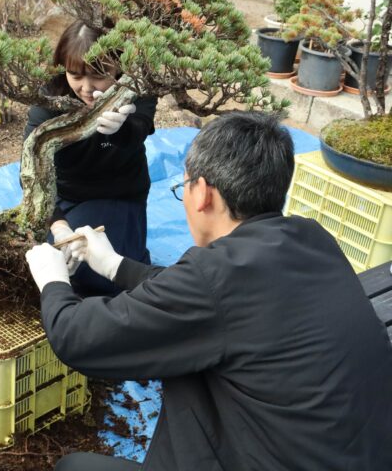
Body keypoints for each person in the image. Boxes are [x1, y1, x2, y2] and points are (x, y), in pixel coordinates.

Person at [25, 111, 392, 470]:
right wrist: (114, 265)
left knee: (73, 466)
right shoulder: (311, 237)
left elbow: (76, 336)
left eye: (181, 186)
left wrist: (53, 279)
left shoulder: (214, 277)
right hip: (354, 450)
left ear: (201, 192)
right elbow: (207, 299)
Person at [24, 20, 158, 297]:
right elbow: (34, 172)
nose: (86, 88)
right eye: (75, 76)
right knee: (49, 265)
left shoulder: (138, 84)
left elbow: (139, 129)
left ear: (118, 66)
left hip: (119, 194)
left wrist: (122, 129)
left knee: (103, 276)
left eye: (98, 75)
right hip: (64, 195)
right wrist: (59, 226)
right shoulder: (50, 99)